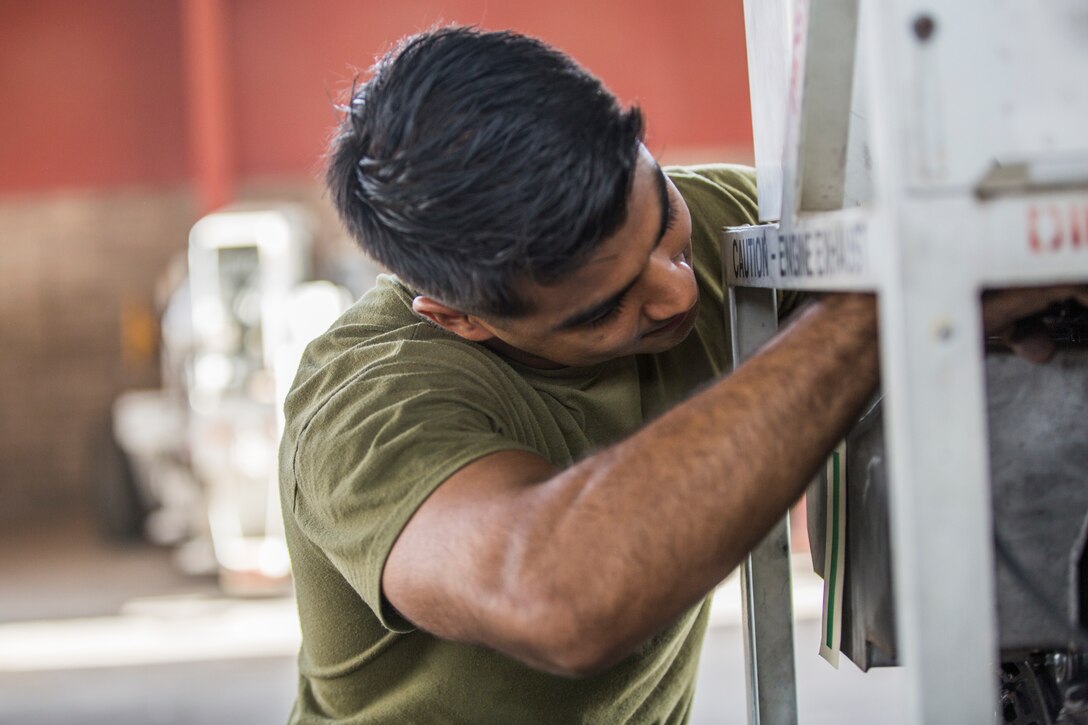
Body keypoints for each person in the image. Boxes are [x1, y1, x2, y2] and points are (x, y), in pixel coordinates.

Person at [280, 25, 1084, 723]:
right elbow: (558, 595)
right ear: (457, 316)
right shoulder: (366, 404)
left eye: (664, 220)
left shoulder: (715, 233)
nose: (679, 290)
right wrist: (880, 311)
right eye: (603, 308)